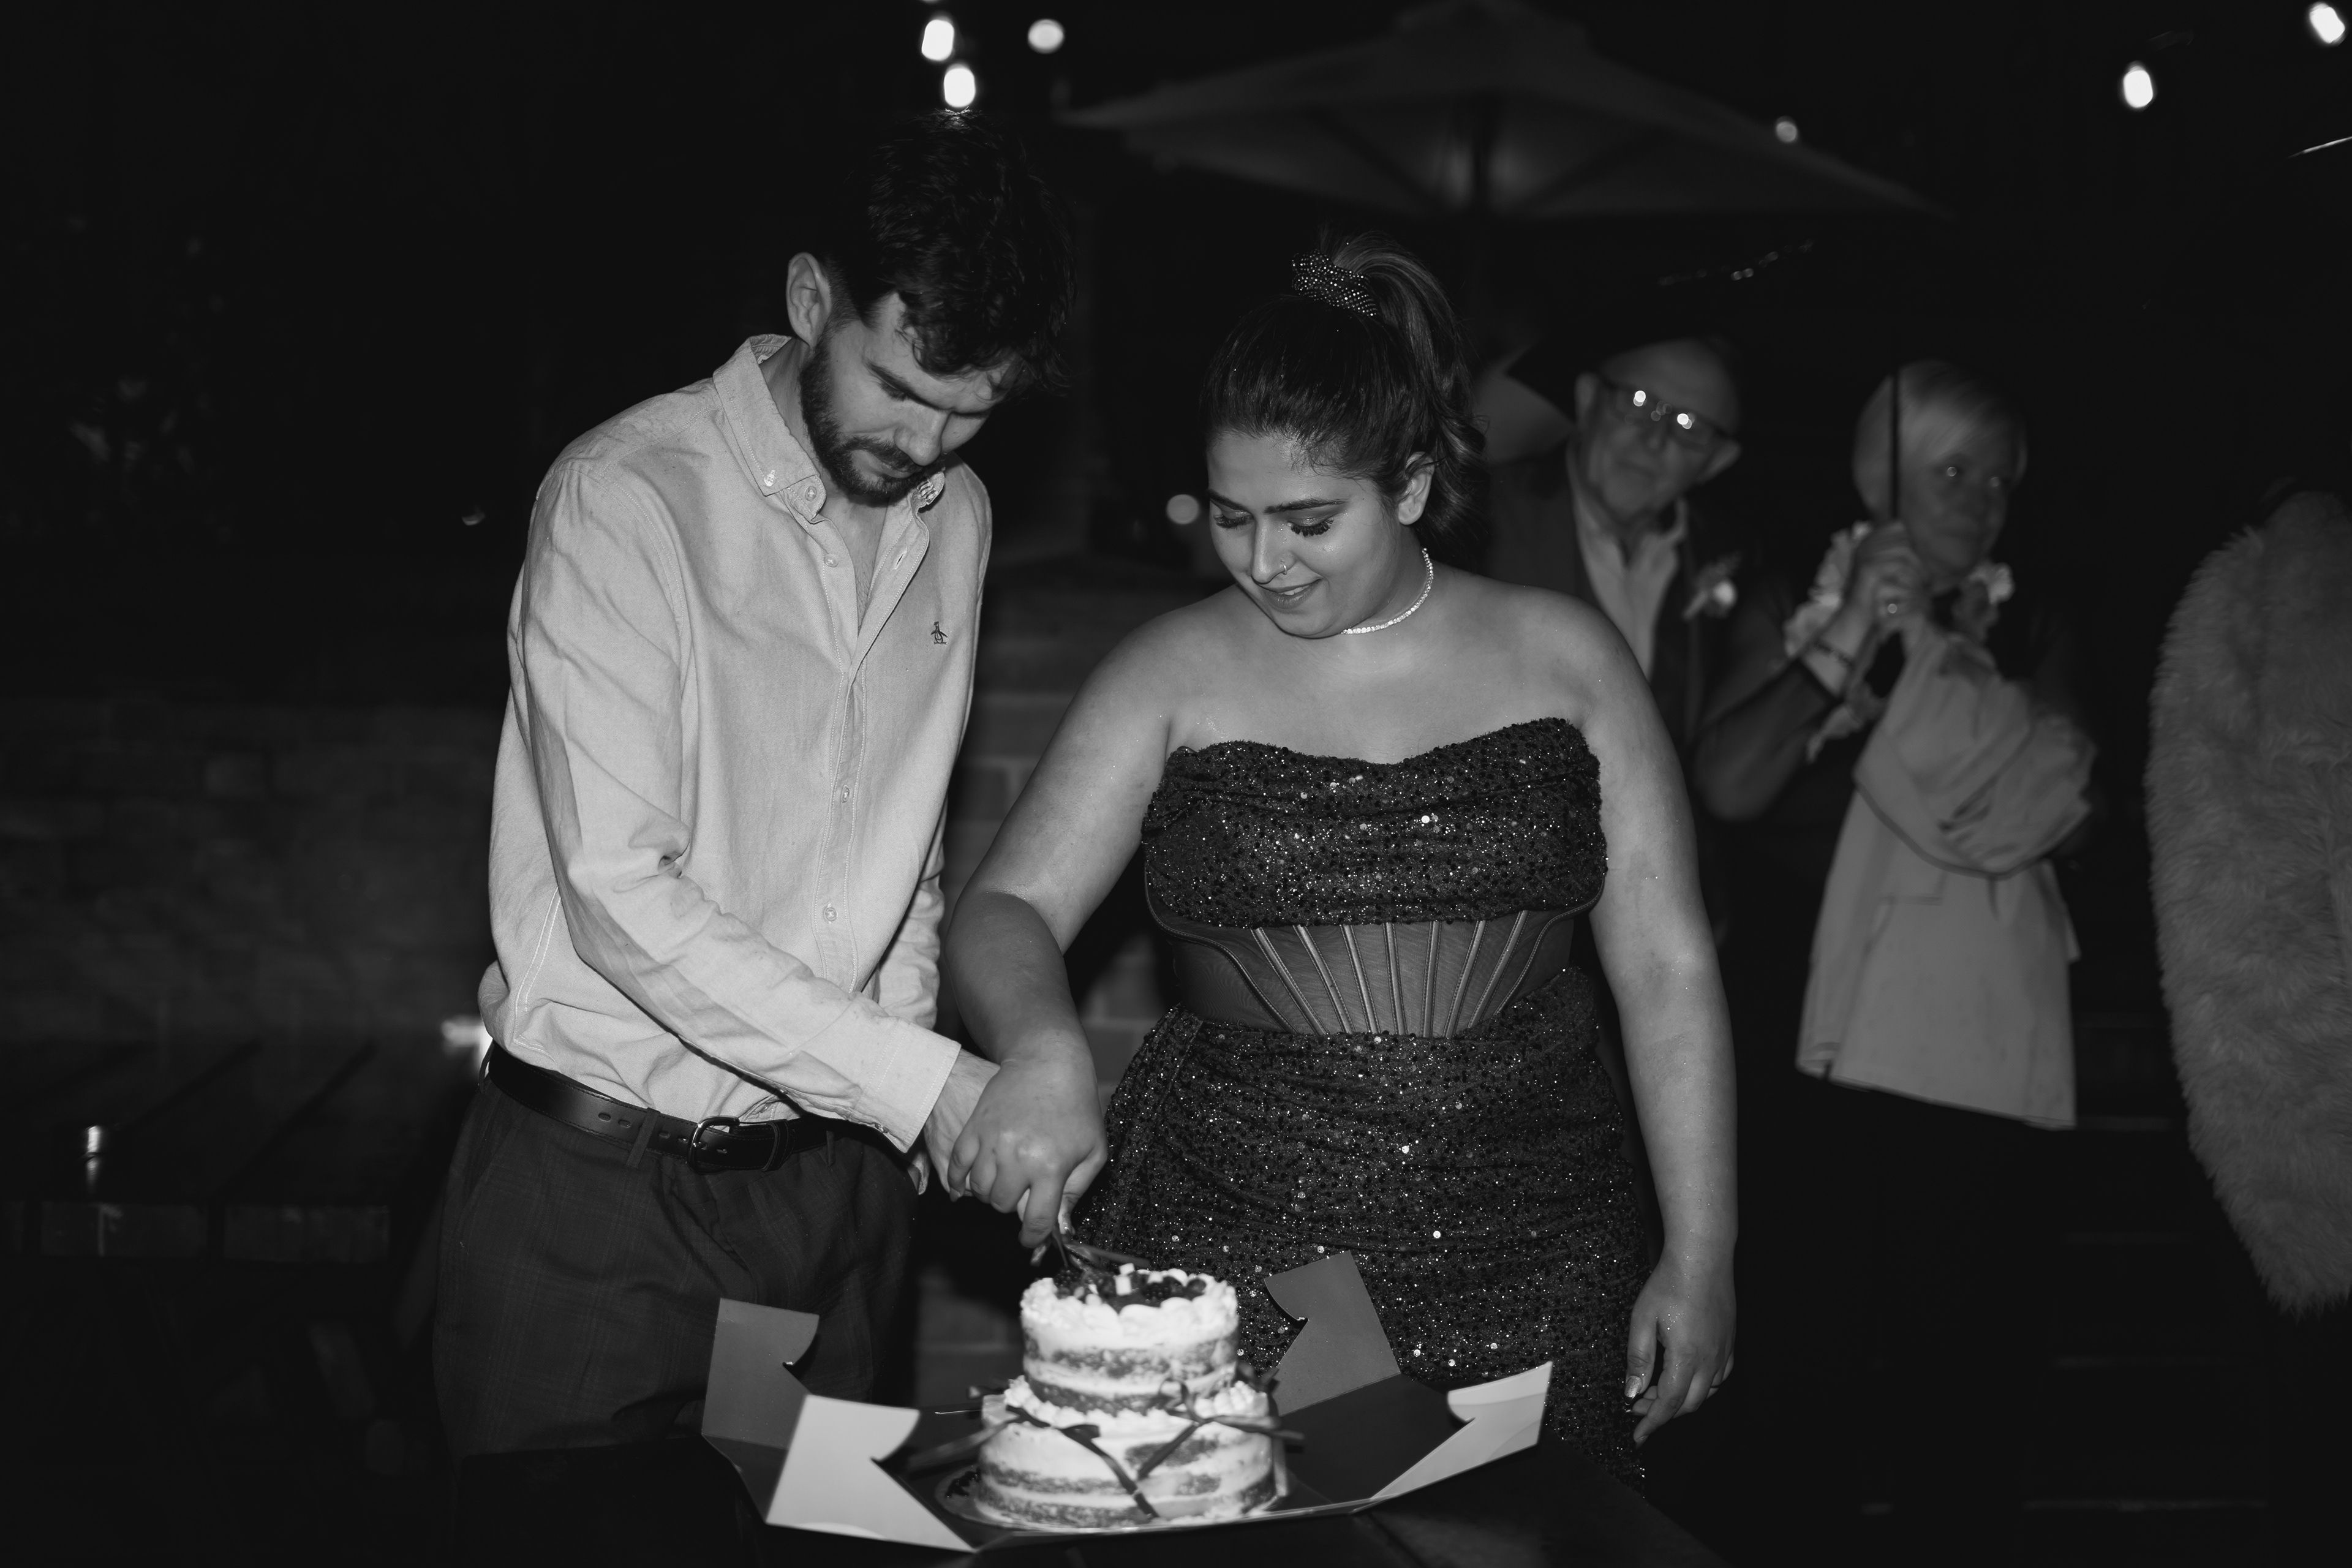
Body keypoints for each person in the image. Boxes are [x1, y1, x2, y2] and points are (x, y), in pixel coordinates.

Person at [943, 236, 1737, 1484]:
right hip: (1245, 1238)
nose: (1264, 560)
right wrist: (1043, 1052)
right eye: (1233, 516)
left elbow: (1669, 967)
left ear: (1411, 486)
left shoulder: (1569, 656)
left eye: (1310, 521)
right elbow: (1005, 903)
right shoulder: (1170, 669)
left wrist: (1704, 1250)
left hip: (1545, 1240)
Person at [435, 111, 1087, 1459]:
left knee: (810, 1538)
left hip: (832, 1195)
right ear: (808, 298)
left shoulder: (956, 518)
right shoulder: (625, 497)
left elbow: (903, 847)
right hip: (601, 1194)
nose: (928, 442)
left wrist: (905, 1109)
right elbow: (621, 896)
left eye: (973, 412)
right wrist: (925, 1082)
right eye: (899, 386)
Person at [1692, 361, 2091, 1556]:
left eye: (2000, 480)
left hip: (1968, 1040)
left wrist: (1933, 657)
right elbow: (1728, 783)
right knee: (1795, 1367)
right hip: (1800, 1029)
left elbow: (2074, 806)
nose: (1981, 501)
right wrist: (1856, 629)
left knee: (1965, 1383)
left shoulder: (2031, 621)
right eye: (1952, 470)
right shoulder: (1795, 593)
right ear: (1885, 479)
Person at [1483, 332, 1750, 755]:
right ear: (1588, 399)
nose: (1655, 439)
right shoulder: (1480, 514)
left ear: (1717, 461)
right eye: (1640, 402)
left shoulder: (1729, 558)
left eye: (1690, 425)